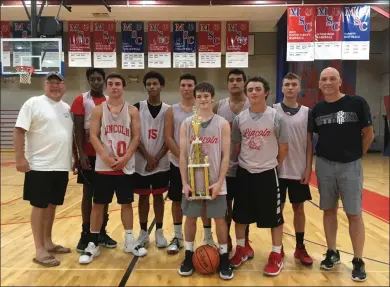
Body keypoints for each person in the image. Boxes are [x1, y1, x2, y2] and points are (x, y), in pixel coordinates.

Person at [311, 67, 374, 282]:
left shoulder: (357, 103)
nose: (328, 82)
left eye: (332, 79)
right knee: (328, 211)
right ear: (320, 84)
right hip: (325, 165)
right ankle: (332, 252)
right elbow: (315, 138)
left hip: (350, 166)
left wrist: (356, 156)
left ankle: (358, 260)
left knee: (354, 214)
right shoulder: (317, 109)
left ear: (340, 82)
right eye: (324, 79)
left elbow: (369, 134)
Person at [79, 73, 147, 264]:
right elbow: (93, 135)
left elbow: (135, 137)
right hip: (103, 166)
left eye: (118, 83)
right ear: (107, 88)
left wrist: (125, 158)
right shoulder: (99, 110)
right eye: (111, 84)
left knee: (126, 204)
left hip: (125, 165)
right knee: (98, 204)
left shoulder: (132, 111)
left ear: (123, 87)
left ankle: (129, 241)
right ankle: (92, 243)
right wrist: (106, 157)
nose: (114, 87)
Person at [14, 72, 76, 267]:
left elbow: (67, 135)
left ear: (64, 86)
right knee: (40, 206)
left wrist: (73, 158)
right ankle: (39, 249)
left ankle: (48, 242)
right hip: (39, 166)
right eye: (51, 82)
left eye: (59, 83)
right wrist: (19, 157)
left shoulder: (66, 108)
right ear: (44, 85)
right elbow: (19, 131)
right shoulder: (33, 103)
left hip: (60, 166)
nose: (55, 86)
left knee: (51, 205)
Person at [230, 76, 289, 276]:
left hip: (267, 173)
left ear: (266, 92)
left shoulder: (276, 117)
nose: (254, 92)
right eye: (251, 90)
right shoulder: (240, 118)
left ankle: (276, 254)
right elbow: (237, 146)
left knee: (274, 217)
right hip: (245, 172)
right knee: (239, 215)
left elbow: (284, 147)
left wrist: (272, 164)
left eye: (257, 89)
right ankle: (241, 248)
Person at [178, 82, 233, 280]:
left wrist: (220, 182)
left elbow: (226, 155)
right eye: (199, 96)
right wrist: (184, 182)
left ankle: (224, 257)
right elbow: (183, 155)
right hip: (194, 181)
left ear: (213, 98)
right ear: (194, 98)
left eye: (206, 96)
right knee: (191, 218)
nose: (203, 99)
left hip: (216, 181)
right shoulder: (186, 124)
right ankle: (188, 255)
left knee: (220, 220)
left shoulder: (222, 123)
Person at [164, 73, 217, 254]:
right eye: (183, 85)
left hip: (202, 165)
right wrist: (184, 158)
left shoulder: (205, 108)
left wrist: (197, 159)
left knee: (204, 200)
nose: (186, 88)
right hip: (178, 163)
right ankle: (177, 236)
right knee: (177, 200)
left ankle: (208, 236)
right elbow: (168, 137)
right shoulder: (172, 110)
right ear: (179, 88)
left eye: (190, 85)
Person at [70, 68, 117, 253]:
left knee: (103, 194)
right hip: (88, 155)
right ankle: (86, 233)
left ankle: (101, 232)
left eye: (99, 79)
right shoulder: (81, 99)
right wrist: (80, 154)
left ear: (104, 81)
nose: (96, 82)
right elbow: (78, 129)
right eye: (93, 79)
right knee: (88, 193)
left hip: (104, 155)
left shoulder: (108, 101)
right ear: (88, 80)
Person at [273, 72, 313, 265]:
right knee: (277, 210)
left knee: (299, 209)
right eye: (286, 84)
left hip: (298, 171)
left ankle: (299, 246)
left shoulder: (307, 112)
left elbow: (309, 143)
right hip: (278, 170)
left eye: (293, 84)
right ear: (281, 88)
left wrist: (308, 169)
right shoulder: (272, 110)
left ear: (299, 88)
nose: (290, 87)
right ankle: (277, 247)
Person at [213, 68, 252, 256]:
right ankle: (225, 238)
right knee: (225, 206)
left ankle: (245, 241)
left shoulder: (253, 104)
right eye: (231, 80)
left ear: (244, 83)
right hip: (225, 167)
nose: (235, 83)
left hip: (247, 165)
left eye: (238, 79)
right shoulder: (219, 106)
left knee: (244, 207)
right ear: (227, 84)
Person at [134, 71, 170, 248]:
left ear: (161, 86)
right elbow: (134, 136)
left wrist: (156, 158)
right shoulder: (137, 107)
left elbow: (169, 138)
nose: (152, 87)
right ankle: (142, 232)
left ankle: (159, 231)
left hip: (161, 162)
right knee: (142, 198)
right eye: (149, 84)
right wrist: (148, 157)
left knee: (158, 197)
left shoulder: (168, 110)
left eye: (155, 83)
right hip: (141, 161)